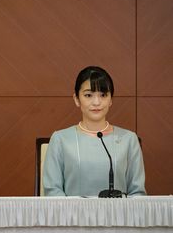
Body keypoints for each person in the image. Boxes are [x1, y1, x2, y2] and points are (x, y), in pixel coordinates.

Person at [43, 66, 146, 197]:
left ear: (111, 100)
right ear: (76, 99)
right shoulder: (60, 139)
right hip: (73, 217)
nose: (96, 102)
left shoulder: (129, 139)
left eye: (103, 95)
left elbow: (137, 193)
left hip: (118, 217)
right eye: (88, 95)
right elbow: (53, 191)